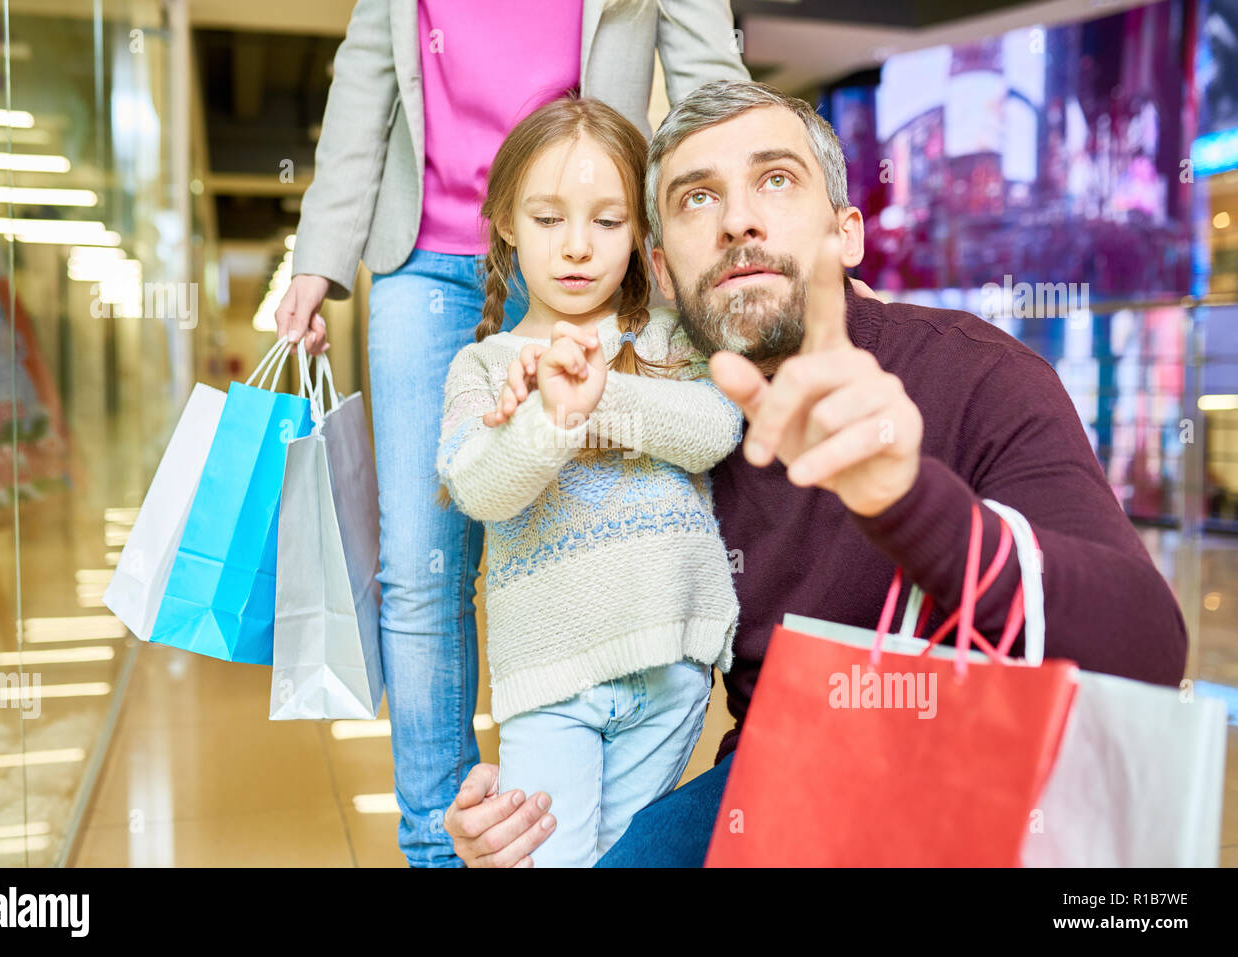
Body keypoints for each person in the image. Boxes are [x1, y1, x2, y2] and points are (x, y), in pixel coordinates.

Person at [443, 79, 1189, 867]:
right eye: (697, 198)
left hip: (989, 779)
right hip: (786, 774)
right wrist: (517, 827)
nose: (738, 219)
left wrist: (913, 504)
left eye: (776, 179)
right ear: (660, 271)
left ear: (846, 235)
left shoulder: (979, 377)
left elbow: (1146, 647)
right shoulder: (677, 420)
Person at [274, 0, 750, 866]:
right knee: (420, 569)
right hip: (427, 244)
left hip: (588, 198)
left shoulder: (642, 303)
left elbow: (710, 79)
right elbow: (366, 74)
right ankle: (437, 847)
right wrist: (320, 252)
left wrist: (743, 228)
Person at [436, 95, 743, 867]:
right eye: (547, 219)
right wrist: (549, 417)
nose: (578, 247)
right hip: (550, 681)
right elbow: (480, 487)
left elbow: (714, 430)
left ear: (641, 230)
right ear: (506, 221)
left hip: (671, 669)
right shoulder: (482, 366)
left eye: (607, 222)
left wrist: (599, 395)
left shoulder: (668, 337)